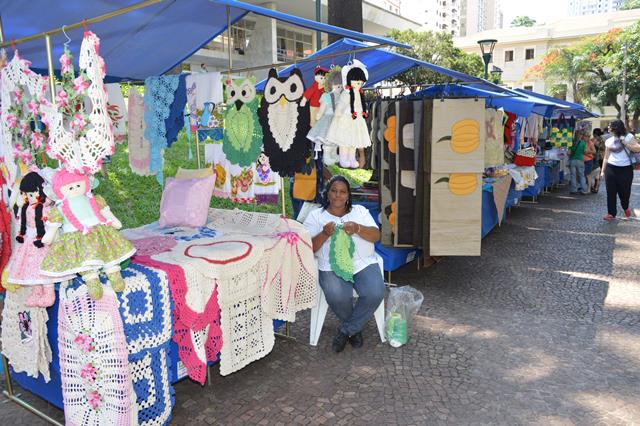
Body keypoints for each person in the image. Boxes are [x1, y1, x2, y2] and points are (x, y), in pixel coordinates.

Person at [303, 175, 384, 353]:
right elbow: (309, 247)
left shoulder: (360, 211)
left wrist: (358, 228)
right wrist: (324, 234)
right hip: (330, 267)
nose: (338, 195)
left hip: (362, 263)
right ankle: (355, 329)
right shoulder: (316, 216)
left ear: (348, 195)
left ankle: (347, 330)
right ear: (327, 193)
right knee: (337, 295)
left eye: (342, 192)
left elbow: (376, 236)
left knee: (375, 292)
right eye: (334, 191)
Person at [600, 120, 640, 221]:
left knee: (624, 193)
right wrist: (603, 171)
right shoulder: (608, 141)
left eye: (610, 126)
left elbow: (637, 149)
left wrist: (625, 143)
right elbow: (606, 157)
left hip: (625, 169)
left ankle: (625, 206)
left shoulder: (629, 137)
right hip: (611, 168)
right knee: (610, 192)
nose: (608, 128)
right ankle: (611, 213)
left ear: (616, 128)